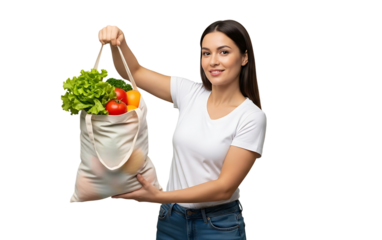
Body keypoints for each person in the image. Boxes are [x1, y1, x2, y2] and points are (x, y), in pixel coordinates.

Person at [98, 19, 267, 240]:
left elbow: (224, 187)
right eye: (206, 53)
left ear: (244, 57)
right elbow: (135, 72)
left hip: (217, 226)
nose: (213, 62)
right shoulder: (190, 92)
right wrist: (118, 41)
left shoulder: (251, 117)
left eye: (223, 52)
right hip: (171, 220)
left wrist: (160, 196)